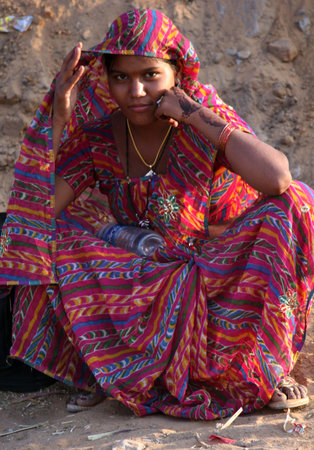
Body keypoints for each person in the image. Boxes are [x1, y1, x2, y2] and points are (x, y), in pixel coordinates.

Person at [0, 8, 313, 419]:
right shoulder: (98, 138)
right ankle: (102, 367)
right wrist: (58, 116)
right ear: (106, 80)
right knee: (44, 234)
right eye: (121, 77)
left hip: (220, 284)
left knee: (299, 201)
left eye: (150, 75)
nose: (136, 91)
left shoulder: (203, 119)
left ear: (176, 75)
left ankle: (262, 366)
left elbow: (277, 179)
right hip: (141, 285)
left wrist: (191, 114)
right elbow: (36, 213)